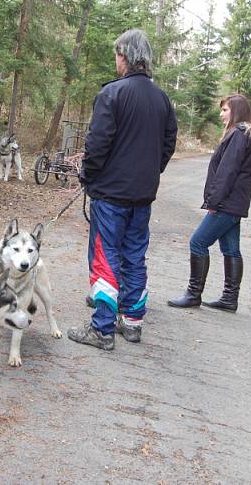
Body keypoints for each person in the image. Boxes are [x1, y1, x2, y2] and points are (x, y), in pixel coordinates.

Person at [67, 29, 178, 350]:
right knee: (134, 257)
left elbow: (97, 143)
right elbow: (168, 144)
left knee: (105, 256)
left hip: (112, 195)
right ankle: (132, 321)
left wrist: (88, 175)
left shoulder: (112, 94)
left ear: (126, 57)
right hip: (142, 195)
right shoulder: (162, 98)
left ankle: (102, 327)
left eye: (117, 55)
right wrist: (150, 172)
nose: (116, 61)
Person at [167, 93, 251, 312]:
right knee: (231, 249)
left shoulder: (238, 136)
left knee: (198, 242)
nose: (221, 115)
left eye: (225, 110)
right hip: (234, 203)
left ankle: (193, 294)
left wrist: (213, 201)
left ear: (236, 111)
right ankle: (229, 299)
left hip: (226, 203)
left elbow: (226, 172)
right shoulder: (245, 135)